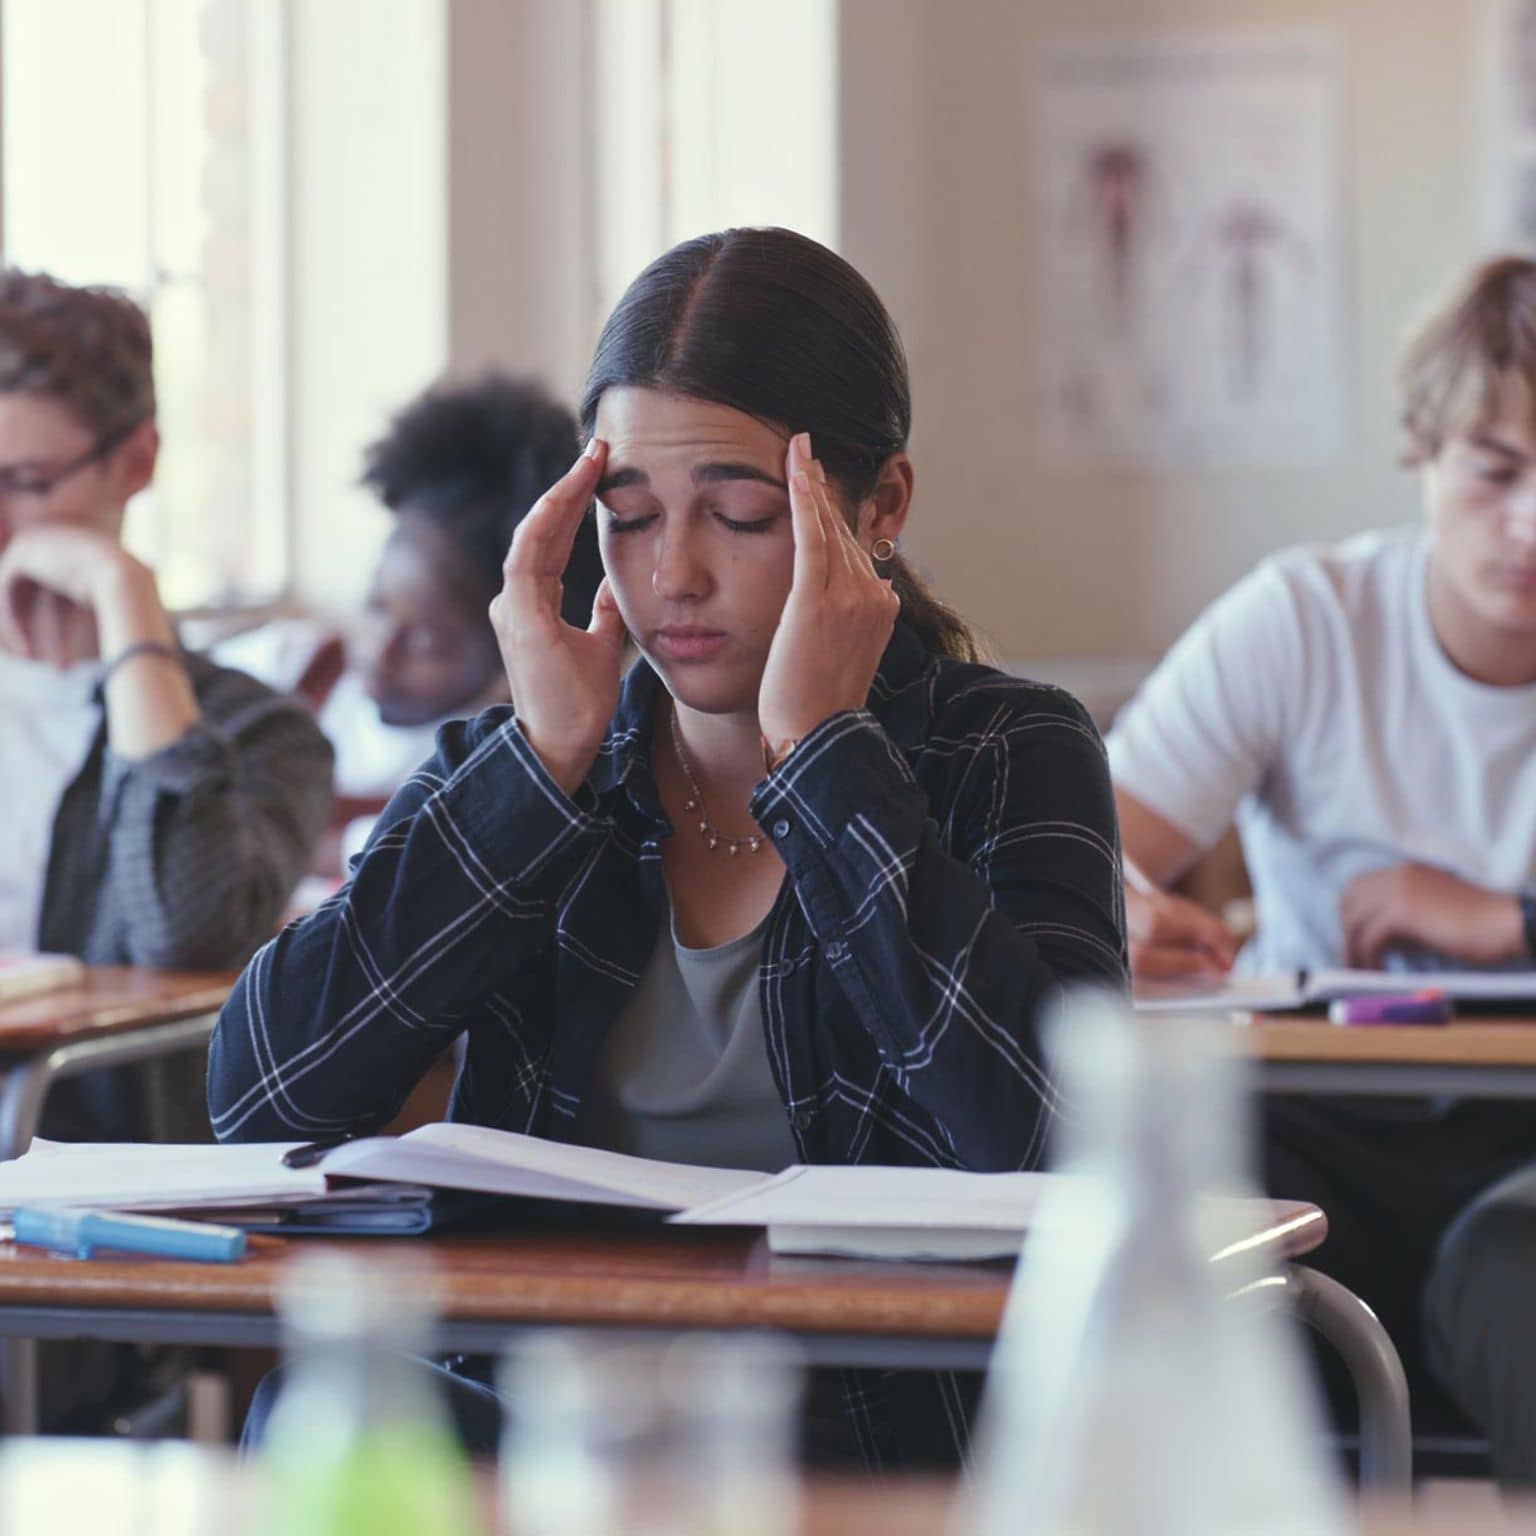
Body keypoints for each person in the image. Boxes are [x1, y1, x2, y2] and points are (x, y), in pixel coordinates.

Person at [210, 226, 1126, 1467]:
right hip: (548, 1416)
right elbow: (260, 1097)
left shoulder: (1009, 750)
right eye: (629, 517)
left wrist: (824, 758)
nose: (673, 575)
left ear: (882, 507)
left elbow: (1059, 1144)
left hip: (863, 1432)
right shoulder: (537, 761)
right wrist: (540, 770)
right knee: (312, 1430)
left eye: (740, 516)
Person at [1106, 255, 1536, 1480]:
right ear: (1425, 455)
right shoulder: (1307, 620)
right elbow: (1082, 855)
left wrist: (1505, 919)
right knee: (1175, 1213)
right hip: (1319, 1121)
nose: (1530, 525)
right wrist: (1120, 909)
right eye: (1498, 472)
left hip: (1521, 1144)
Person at [217, 373, 604, 873]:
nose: (380, 649)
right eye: (376, 605)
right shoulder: (290, 665)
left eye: (427, 642)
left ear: (505, 659)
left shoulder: (495, 763)